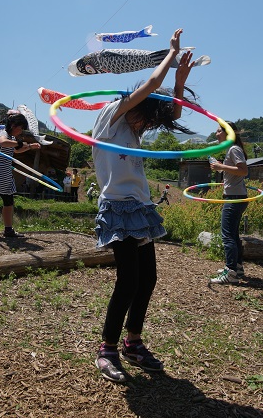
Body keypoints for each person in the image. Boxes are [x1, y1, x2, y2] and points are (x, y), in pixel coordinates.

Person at [91, 28, 195, 384]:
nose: (146, 126)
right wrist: (171, 55)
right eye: (145, 118)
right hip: (117, 209)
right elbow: (150, 87)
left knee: (147, 279)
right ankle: (107, 349)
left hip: (141, 209)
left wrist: (180, 82)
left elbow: (170, 110)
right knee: (128, 280)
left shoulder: (133, 131)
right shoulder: (112, 118)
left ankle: (133, 342)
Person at [0, 112, 41, 240]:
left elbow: (16, 150)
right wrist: (19, 143)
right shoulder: (3, 134)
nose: (21, 131)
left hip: (5, 174)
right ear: (13, 125)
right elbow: (3, 143)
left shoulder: (12, 138)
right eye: (21, 128)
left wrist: (29, 147)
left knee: (9, 202)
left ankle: (8, 229)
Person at [209, 121, 249, 285]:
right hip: (236, 196)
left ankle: (230, 271)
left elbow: (243, 170)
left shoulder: (233, 149)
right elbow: (234, 171)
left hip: (235, 198)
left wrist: (221, 166)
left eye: (219, 131)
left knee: (227, 236)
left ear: (228, 133)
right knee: (233, 235)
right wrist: (220, 167)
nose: (216, 134)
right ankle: (236, 268)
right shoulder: (232, 149)